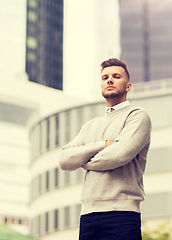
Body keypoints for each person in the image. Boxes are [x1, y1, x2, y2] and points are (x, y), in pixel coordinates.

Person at [59, 58, 152, 240]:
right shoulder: (89, 126)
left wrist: (84, 161)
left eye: (116, 76)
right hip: (87, 215)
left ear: (128, 86)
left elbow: (117, 156)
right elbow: (64, 160)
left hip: (122, 214)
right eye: (105, 77)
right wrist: (103, 144)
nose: (109, 80)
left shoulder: (137, 116)